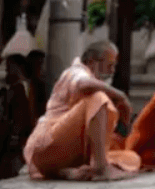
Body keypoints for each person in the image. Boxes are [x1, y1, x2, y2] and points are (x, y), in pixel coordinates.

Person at [22, 40, 141, 181]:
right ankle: (101, 168)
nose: (112, 71)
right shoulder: (75, 71)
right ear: (92, 61)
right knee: (98, 98)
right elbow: (82, 84)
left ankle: (66, 171)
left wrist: (123, 121)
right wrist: (120, 95)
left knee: (132, 158)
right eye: (110, 65)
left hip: (65, 155)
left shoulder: (93, 82)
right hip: (45, 147)